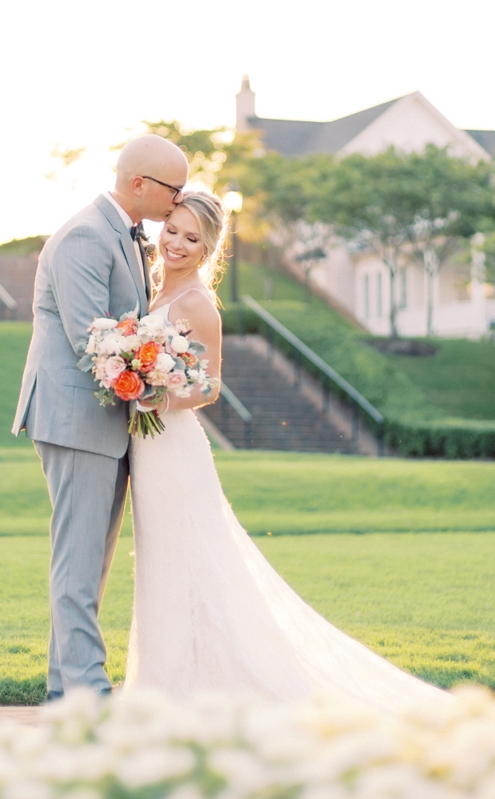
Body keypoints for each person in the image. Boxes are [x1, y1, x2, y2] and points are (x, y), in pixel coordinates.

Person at [123, 191, 450, 712]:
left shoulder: (198, 306)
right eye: (174, 231)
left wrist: (150, 393)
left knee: (188, 561)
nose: (177, 244)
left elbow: (208, 388)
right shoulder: (155, 291)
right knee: (163, 564)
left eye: (192, 238)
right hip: (149, 447)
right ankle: (169, 683)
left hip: (174, 450)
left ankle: (186, 691)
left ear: (208, 250)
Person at [12, 134, 191, 699]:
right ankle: (88, 695)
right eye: (173, 188)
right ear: (139, 183)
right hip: (75, 418)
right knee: (79, 565)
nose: (179, 199)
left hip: (103, 422)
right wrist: (158, 378)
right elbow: (95, 343)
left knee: (88, 567)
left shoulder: (125, 236)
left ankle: (66, 694)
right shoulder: (86, 237)